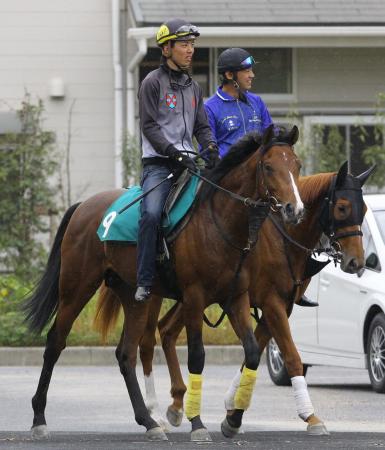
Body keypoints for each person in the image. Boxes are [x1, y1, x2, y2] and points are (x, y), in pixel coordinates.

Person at [135, 18, 218, 302]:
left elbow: (202, 126)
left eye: (192, 44)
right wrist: (174, 152)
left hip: (190, 164)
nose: (190, 50)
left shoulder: (194, 87)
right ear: (166, 48)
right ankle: (145, 279)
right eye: (184, 44)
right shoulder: (151, 83)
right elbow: (149, 127)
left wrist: (210, 144)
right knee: (152, 213)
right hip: (160, 165)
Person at [204, 47, 273, 158]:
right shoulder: (209, 108)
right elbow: (207, 151)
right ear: (229, 75)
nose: (252, 75)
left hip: (258, 171)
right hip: (227, 172)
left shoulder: (257, 101)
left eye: (251, 70)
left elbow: (271, 135)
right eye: (247, 71)